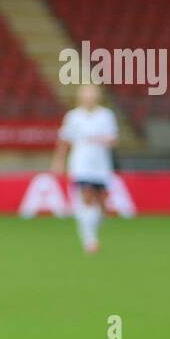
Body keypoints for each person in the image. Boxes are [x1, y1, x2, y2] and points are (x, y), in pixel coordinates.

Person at [51, 83, 118, 253]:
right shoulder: (73, 117)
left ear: (98, 96)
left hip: (101, 166)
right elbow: (64, 140)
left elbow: (113, 139)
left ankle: (91, 227)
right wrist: (59, 161)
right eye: (86, 94)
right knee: (86, 196)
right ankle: (90, 240)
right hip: (81, 164)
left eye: (92, 94)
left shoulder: (106, 115)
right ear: (80, 97)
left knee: (103, 206)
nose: (89, 97)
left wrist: (106, 140)